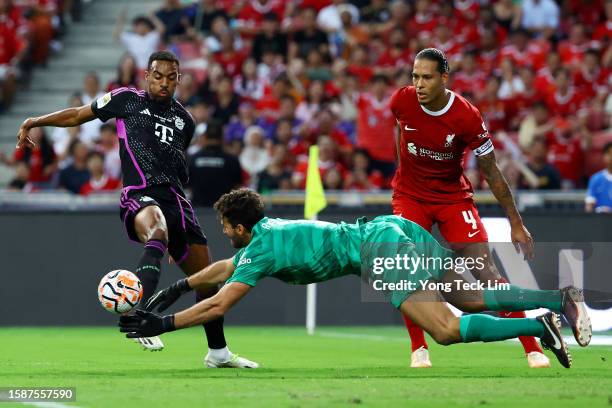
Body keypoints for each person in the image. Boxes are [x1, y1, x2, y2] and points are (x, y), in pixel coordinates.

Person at [120, 188, 592, 370]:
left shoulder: (258, 250)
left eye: (226, 228)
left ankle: (539, 326)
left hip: (377, 249)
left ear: (240, 227)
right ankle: (557, 298)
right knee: (470, 300)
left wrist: (162, 325)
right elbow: (223, 271)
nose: (224, 235)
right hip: (390, 227)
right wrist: (176, 288)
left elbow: (219, 304)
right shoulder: (265, 233)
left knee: (445, 330)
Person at [15, 50, 257, 368]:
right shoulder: (126, 99)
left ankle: (218, 353)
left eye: (171, 78)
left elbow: (175, 165)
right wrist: (36, 121)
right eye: (158, 76)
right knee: (156, 229)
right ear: (147, 76)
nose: (164, 83)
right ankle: (138, 313)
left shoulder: (186, 120)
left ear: (179, 80)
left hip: (177, 202)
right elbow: (77, 114)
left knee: (207, 282)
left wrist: (177, 232)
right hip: (139, 193)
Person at [389, 48, 547, 368]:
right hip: (410, 197)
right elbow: (401, 135)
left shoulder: (467, 116)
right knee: (404, 264)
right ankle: (418, 348)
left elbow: (491, 171)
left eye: (427, 78)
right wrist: (404, 174)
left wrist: (515, 222)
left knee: (486, 274)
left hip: (452, 199)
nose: (418, 84)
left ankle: (533, 348)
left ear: (444, 79)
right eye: (415, 77)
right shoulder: (401, 102)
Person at [188, 121, 242, 207]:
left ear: (205, 137)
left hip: (199, 212)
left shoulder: (192, 159)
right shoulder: (232, 160)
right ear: (222, 138)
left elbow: (188, 186)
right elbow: (237, 187)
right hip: (223, 212)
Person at [585, 142, 612, 213]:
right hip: (600, 221)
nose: (611, 157)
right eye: (609, 153)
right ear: (604, 156)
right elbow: (589, 204)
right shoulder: (596, 179)